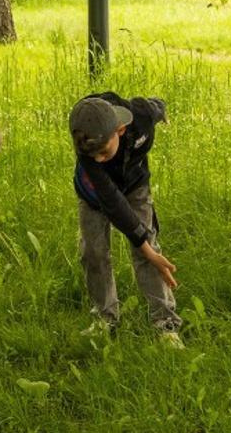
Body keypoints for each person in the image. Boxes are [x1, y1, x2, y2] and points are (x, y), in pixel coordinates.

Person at [69, 94, 182, 345]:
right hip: (95, 193)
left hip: (135, 185)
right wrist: (141, 241)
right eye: (93, 155)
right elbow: (111, 200)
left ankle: (165, 323)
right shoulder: (85, 138)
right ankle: (105, 318)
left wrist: (161, 112)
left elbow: (155, 106)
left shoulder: (141, 119)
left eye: (103, 152)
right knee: (93, 252)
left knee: (147, 250)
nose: (98, 159)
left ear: (120, 130)